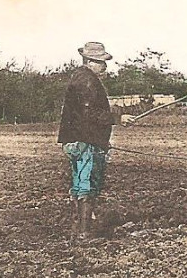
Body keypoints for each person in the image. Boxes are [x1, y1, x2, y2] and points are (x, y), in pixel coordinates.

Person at [57, 41, 135, 241]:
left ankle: (81, 227)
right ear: (90, 61)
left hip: (77, 140)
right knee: (87, 184)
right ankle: (84, 232)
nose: (105, 66)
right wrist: (117, 119)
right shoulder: (88, 81)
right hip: (86, 142)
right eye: (101, 62)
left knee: (80, 182)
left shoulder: (80, 77)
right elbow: (89, 112)